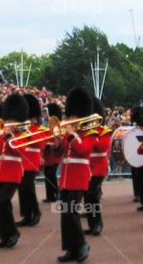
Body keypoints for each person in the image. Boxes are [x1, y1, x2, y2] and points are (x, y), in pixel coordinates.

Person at [56, 87, 96, 262]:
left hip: (79, 176)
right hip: (66, 177)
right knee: (65, 214)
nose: (70, 119)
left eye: (73, 116)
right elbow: (60, 154)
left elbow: (82, 150)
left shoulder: (90, 132)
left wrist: (71, 135)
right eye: (70, 115)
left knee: (72, 213)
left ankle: (82, 245)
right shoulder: (68, 134)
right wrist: (57, 142)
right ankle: (71, 249)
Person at [0, 94, 27, 249]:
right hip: (0, 173)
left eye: (11, 121)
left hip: (13, 173)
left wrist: (9, 136)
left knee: (2, 203)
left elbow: (19, 151)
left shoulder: (23, 135)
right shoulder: (2, 134)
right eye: (8, 120)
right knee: (3, 206)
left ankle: (12, 233)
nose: (8, 123)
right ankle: (6, 237)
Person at [84, 95, 112, 236]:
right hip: (88, 167)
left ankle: (97, 224)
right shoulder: (87, 130)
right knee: (88, 195)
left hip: (99, 167)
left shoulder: (104, 131)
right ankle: (92, 224)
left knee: (92, 194)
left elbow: (102, 147)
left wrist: (91, 136)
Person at [16, 94, 43, 227]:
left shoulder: (39, 129)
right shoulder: (21, 129)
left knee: (28, 186)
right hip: (21, 161)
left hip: (32, 161)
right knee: (22, 188)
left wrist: (27, 133)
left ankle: (36, 211)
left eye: (30, 117)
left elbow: (39, 144)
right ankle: (26, 215)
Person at [42, 103, 63, 203]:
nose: (43, 114)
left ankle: (56, 192)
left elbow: (57, 139)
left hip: (53, 154)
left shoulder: (55, 125)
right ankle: (50, 196)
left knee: (52, 174)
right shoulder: (45, 124)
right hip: (47, 155)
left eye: (45, 112)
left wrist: (51, 144)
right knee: (48, 175)